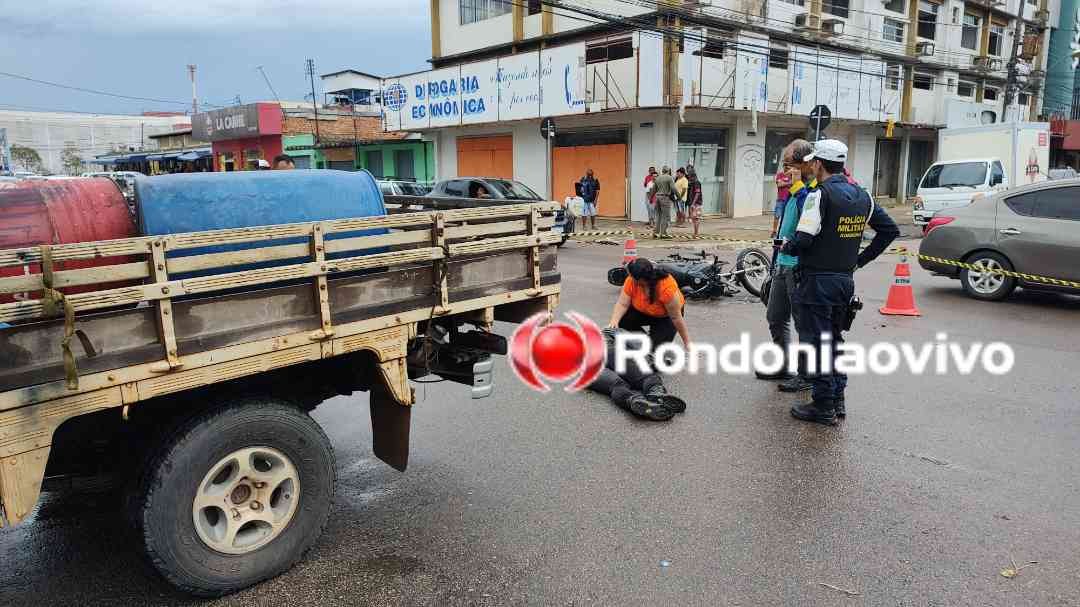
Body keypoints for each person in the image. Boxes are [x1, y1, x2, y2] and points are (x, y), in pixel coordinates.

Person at [780, 139, 900, 425]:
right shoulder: (862, 196)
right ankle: (837, 400)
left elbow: (804, 240)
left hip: (816, 281)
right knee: (834, 341)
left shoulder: (818, 196)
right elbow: (889, 230)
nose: (810, 166)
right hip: (844, 282)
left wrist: (787, 246)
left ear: (819, 164)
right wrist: (859, 260)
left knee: (817, 343)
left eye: (812, 162)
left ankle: (822, 406)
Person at [756, 139, 814, 394]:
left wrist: (799, 185)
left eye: (789, 165)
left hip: (799, 267)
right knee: (775, 316)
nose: (785, 171)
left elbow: (807, 218)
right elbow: (785, 226)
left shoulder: (813, 190)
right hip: (782, 263)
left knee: (803, 324)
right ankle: (784, 364)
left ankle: (806, 374)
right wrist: (774, 259)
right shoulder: (794, 190)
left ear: (804, 165)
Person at [587, 328, 687, 421]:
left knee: (616, 385)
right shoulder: (608, 331)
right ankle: (656, 392)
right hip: (608, 351)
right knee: (645, 377)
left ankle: (633, 400)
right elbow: (637, 345)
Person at [607, 258, 690, 351]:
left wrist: (687, 343)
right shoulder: (631, 281)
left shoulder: (666, 287)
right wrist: (613, 322)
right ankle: (642, 340)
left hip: (666, 317)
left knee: (654, 351)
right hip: (644, 311)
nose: (629, 277)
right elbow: (622, 304)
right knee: (621, 318)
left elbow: (676, 317)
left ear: (639, 279)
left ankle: (654, 342)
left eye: (631, 275)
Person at [651, 166, 676, 239]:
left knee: (658, 216)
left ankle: (655, 233)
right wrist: (679, 196)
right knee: (665, 216)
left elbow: (653, 189)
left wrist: (651, 198)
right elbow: (673, 188)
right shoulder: (669, 178)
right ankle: (663, 233)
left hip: (657, 197)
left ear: (662, 171)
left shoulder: (658, 178)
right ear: (668, 171)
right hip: (665, 197)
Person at [772, 161, 793, 235]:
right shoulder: (779, 175)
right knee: (777, 215)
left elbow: (793, 183)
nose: (786, 167)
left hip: (789, 199)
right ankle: (774, 231)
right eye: (785, 166)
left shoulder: (792, 175)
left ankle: (782, 231)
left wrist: (784, 183)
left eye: (788, 166)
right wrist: (788, 183)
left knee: (786, 216)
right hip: (780, 199)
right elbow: (779, 184)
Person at [686, 167, 703, 238]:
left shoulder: (696, 182)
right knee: (694, 218)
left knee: (696, 218)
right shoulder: (692, 182)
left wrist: (693, 203)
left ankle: (696, 233)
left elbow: (697, 193)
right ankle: (695, 232)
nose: (689, 178)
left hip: (696, 203)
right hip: (693, 202)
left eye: (689, 176)